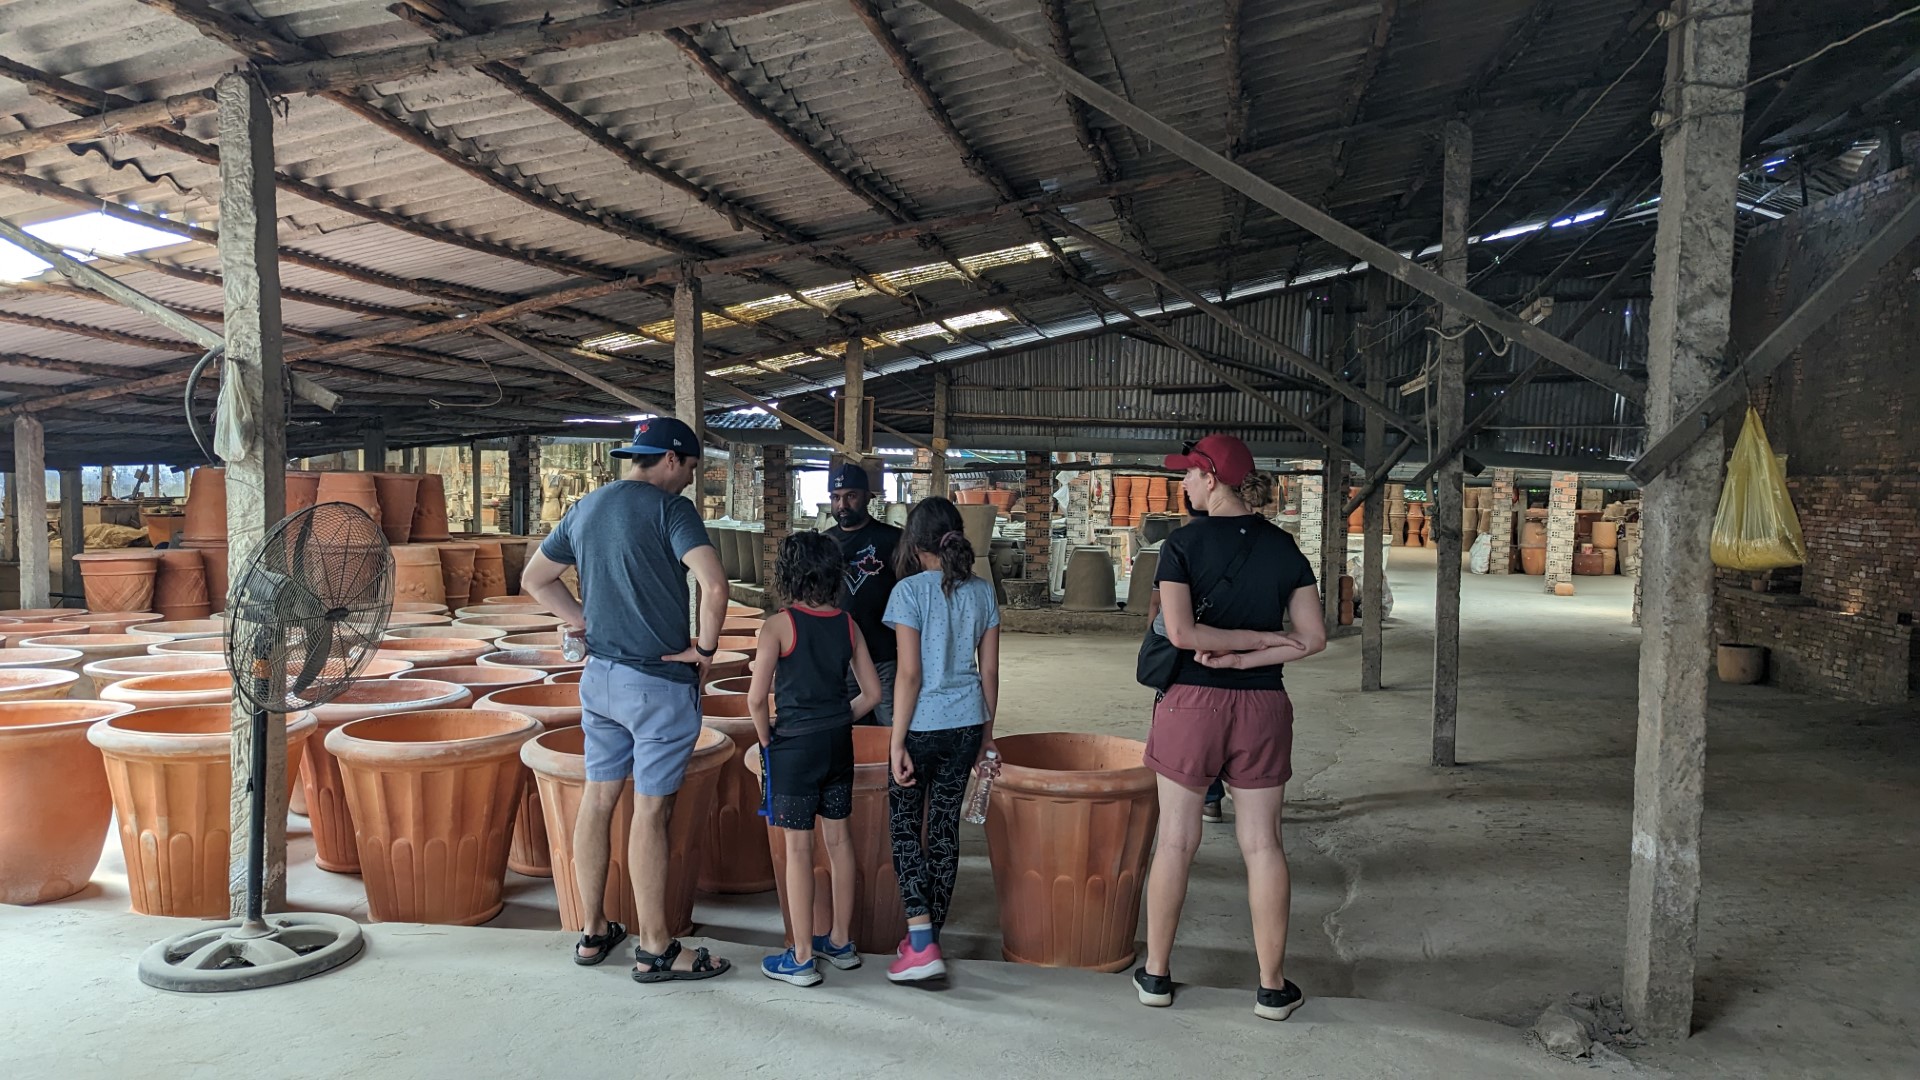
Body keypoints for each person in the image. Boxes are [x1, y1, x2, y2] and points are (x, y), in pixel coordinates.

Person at [521, 416, 733, 984]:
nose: (689, 480)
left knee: (598, 800)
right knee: (651, 812)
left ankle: (593, 932)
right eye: (690, 469)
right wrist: (705, 649)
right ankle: (656, 947)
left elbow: (535, 578)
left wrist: (581, 621)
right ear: (672, 459)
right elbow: (715, 586)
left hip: (601, 681)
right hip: (658, 686)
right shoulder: (672, 511)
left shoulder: (587, 507)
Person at [1134, 434, 1324, 1022]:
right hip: (1263, 706)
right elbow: (1312, 639)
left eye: (1188, 475)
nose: (1182, 485)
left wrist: (1233, 649)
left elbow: (1182, 634)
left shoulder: (1180, 546)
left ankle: (1158, 975)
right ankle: (1271, 988)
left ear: (1211, 477)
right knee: (1263, 845)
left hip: (1191, 702)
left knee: (1175, 842)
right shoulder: (1285, 548)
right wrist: (1257, 649)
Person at [748, 532, 883, 986]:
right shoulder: (848, 624)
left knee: (798, 850)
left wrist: (768, 740)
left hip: (793, 748)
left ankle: (801, 957)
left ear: (787, 574)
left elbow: (754, 699)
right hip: (837, 743)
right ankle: (841, 942)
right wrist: (837, 717)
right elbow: (874, 693)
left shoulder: (778, 626)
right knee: (840, 843)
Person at [882, 496, 1000, 983]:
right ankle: (927, 938)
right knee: (946, 831)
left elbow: (909, 674)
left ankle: (921, 941)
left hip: (922, 727)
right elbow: (988, 670)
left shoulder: (909, 592)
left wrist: (896, 741)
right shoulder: (983, 592)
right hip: (967, 724)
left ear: (914, 542)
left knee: (908, 829)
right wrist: (988, 737)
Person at [824, 462, 903, 725]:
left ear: (868, 496)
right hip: (841, 658)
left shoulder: (893, 540)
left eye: (851, 496)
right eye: (835, 498)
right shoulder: (823, 545)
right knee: (843, 727)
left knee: (891, 727)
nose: (842, 505)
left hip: (884, 655)